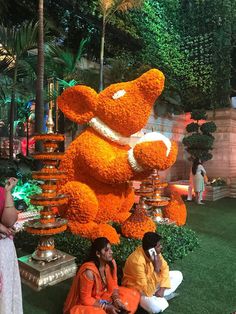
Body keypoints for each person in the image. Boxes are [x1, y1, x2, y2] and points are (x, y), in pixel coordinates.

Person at [64, 237, 140, 314]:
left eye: (110, 249)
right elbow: (85, 299)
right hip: (89, 303)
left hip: (105, 296)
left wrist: (117, 300)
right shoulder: (89, 272)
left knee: (132, 295)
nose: (111, 252)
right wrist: (106, 307)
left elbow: (114, 285)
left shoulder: (111, 263)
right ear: (98, 254)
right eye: (106, 250)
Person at [122, 232, 183, 313]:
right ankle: (157, 299)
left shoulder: (156, 253)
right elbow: (147, 290)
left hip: (153, 284)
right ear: (151, 250)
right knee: (156, 308)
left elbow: (165, 268)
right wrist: (156, 269)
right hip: (139, 290)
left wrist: (162, 289)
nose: (161, 247)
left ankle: (159, 296)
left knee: (178, 275)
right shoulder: (136, 261)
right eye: (159, 246)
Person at [0, 177, 23, 314]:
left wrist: (8, 192)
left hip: (4, 249)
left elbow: (9, 221)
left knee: (6, 290)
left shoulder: (2, 191)